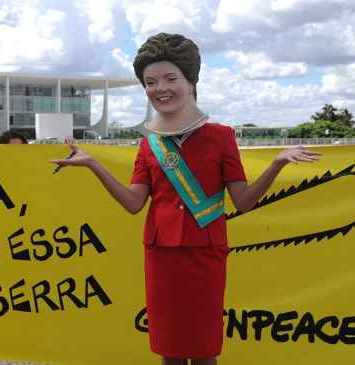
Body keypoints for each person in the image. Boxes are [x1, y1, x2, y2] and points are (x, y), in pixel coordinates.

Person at [51, 33, 320, 365]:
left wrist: (277, 162)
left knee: (204, 349)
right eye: (150, 82)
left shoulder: (221, 137)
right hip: (161, 255)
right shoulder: (149, 144)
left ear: (191, 81)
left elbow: (245, 201)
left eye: (170, 78)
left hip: (205, 253)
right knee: (170, 348)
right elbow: (134, 203)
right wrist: (93, 164)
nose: (160, 88)